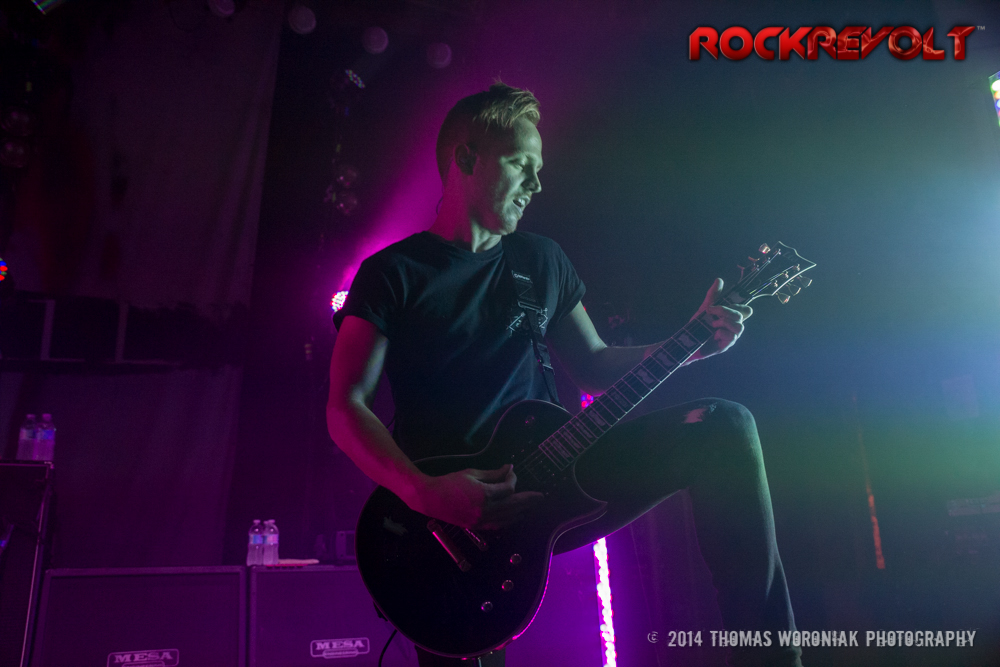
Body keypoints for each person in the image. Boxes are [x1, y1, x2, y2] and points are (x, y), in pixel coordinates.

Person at [327, 82, 802, 667]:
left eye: (540, 169)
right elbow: (346, 406)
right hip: (449, 525)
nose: (536, 184)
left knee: (724, 427)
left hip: (560, 468)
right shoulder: (393, 273)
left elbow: (595, 365)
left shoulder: (539, 259)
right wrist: (425, 492)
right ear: (467, 159)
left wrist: (692, 342)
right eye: (521, 164)